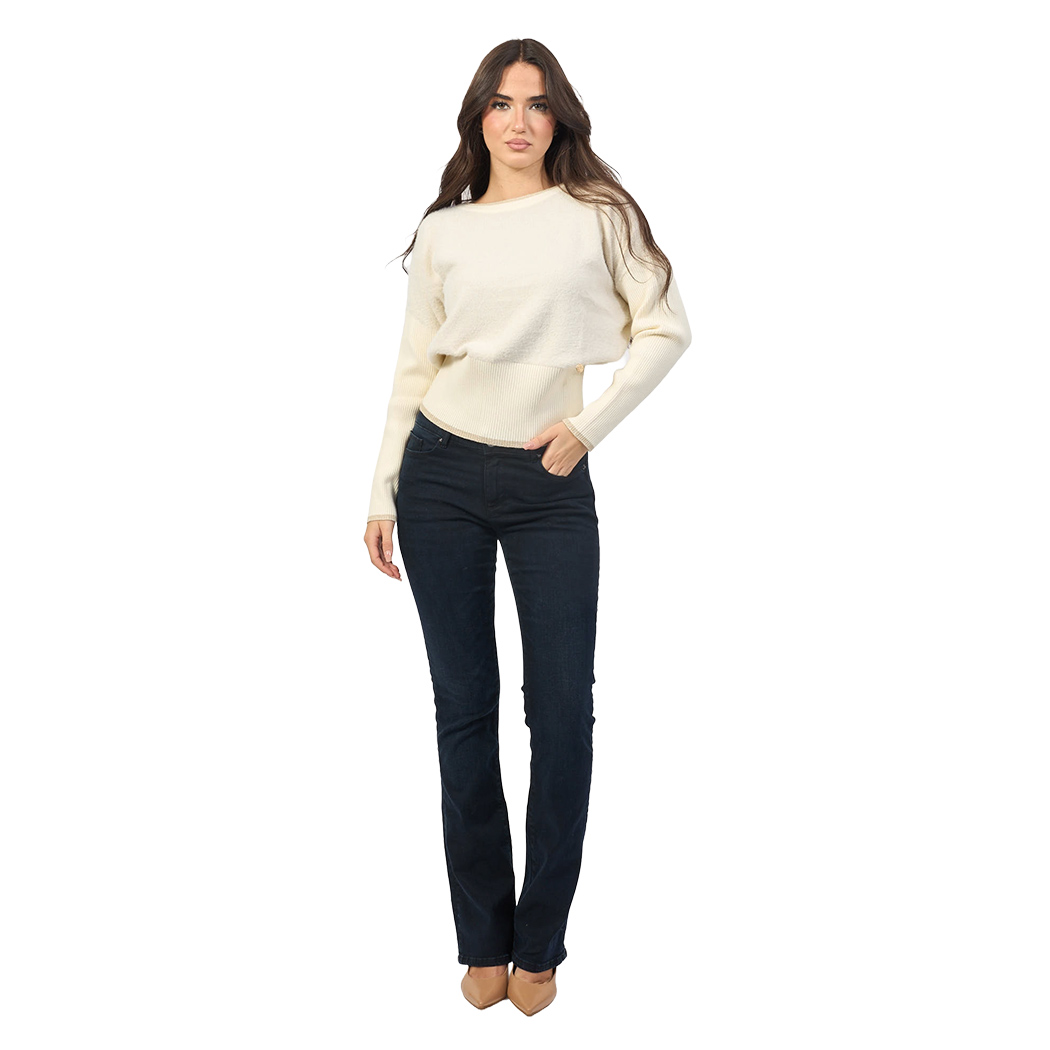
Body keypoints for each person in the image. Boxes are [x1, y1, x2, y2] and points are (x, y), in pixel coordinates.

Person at [362, 38, 691, 1015]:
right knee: (462, 712)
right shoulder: (446, 233)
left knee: (561, 712)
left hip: (551, 483)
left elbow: (667, 328)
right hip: (439, 477)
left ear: (560, 119)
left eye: (537, 104)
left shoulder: (601, 217)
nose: (518, 121)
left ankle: (539, 942)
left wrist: (589, 427)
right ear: (478, 116)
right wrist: (381, 489)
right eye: (501, 103)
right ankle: (481, 937)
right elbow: (414, 365)